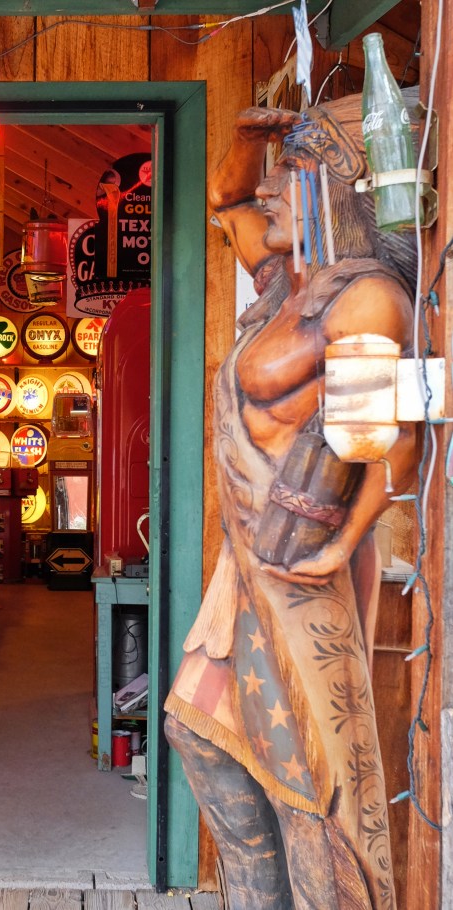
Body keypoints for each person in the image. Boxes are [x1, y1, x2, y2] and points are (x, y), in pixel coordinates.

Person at [164, 92, 419, 910]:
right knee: (199, 735)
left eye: (291, 173)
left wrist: (341, 549)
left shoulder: (365, 297)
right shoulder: (284, 286)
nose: (268, 190)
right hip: (249, 566)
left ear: (338, 189)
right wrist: (245, 137)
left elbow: (389, 440)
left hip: (302, 572)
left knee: (309, 782)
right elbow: (227, 202)